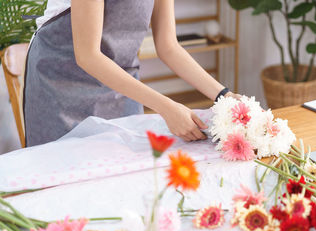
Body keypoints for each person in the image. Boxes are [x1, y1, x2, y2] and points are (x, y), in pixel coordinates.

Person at [23, 0, 241, 147]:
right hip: (60, 86)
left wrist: (223, 95)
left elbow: (168, 46)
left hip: (119, 84)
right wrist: (167, 107)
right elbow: (88, 56)